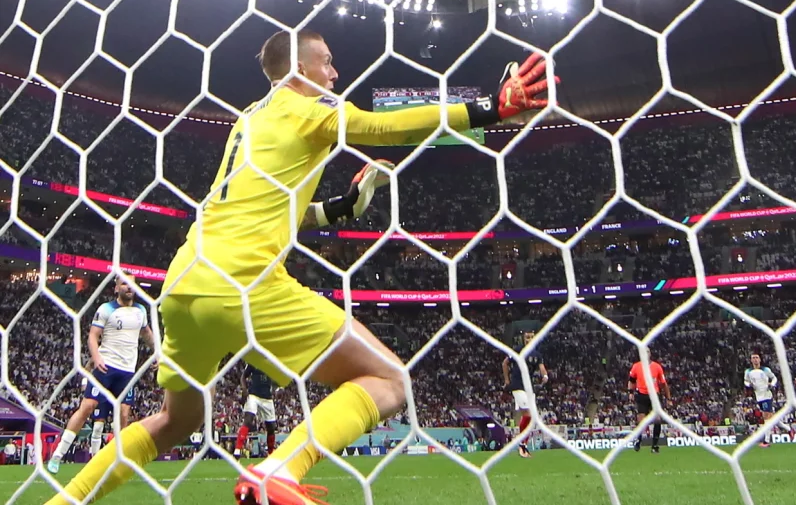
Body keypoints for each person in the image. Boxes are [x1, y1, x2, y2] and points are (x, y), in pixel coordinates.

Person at [45, 30, 556, 505]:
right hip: (244, 283)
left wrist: (344, 206)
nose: (335, 74)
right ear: (299, 67)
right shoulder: (307, 106)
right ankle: (281, 468)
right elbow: (379, 125)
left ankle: (63, 500)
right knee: (390, 379)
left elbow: (275, 206)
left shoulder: (250, 119)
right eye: (327, 63)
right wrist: (490, 108)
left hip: (185, 283)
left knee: (173, 422)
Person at [48, 276, 154, 474]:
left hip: (127, 371)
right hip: (106, 366)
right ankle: (58, 454)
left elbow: (146, 333)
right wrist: (96, 358)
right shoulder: (106, 309)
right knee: (88, 406)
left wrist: (157, 353)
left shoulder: (141, 311)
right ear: (116, 288)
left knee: (123, 414)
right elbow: (92, 335)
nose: (128, 287)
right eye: (124, 283)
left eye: (131, 284)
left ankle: (120, 458)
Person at [502, 330, 547, 458]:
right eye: (527, 337)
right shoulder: (517, 350)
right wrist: (507, 380)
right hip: (517, 385)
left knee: (532, 418)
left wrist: (545, 376)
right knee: (527, 414)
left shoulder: (537, 354)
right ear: (523, 338)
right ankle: (521, 446)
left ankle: (524, 446)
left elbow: (542, 368)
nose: (529, 339)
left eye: (531, 337)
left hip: (529, 387)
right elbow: (505, 363)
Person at [743, 353, 791, 447]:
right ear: (751, 360)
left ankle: (767, 441)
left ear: (760, 360)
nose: (755, 359)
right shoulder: (748, 371)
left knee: (766, 417)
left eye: (757, 358)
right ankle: (788, 429)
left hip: (767, 395)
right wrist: (749, 385)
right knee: (771, 418)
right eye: (753, 358)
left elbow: (774, 378)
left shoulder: (765, 370)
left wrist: (771, 384)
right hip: (758, 396)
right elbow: (746, 381)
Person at [234, 364, 278, 458]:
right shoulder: (254, 361)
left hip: (267, 398)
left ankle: (270, 453)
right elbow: (243, 376)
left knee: (271, 427)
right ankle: (237, 451)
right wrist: (244, 389)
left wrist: (275, 388)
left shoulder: (272, 363)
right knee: (248, 420)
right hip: (254, 395)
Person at [629, 355, 670, 453]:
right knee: (641, 420)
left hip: (654, 396)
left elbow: (664, 384)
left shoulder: (657, 367)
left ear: (649, 355)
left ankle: (655, 445)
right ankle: (638, 440)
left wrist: (668, 398)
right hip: (642, 395)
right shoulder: (636, 366)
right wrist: (630, 392)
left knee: (657, 420)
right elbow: (631, 380)